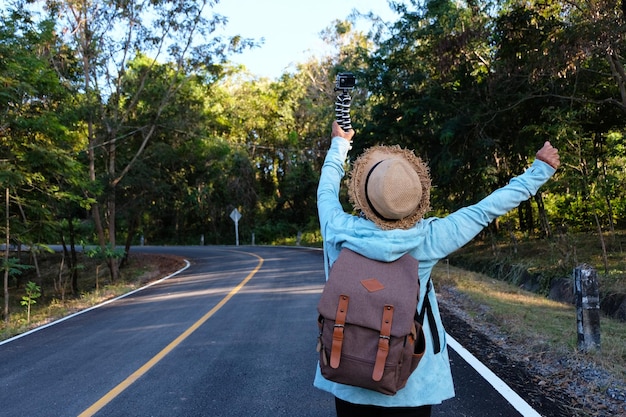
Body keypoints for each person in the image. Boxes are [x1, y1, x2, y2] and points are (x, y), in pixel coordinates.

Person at [315, 121, 560, 417]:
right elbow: (487, 209)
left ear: (365, 195)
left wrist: (339, 144)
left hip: (346, 371)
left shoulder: (337, 229)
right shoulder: (430, 238)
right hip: (411, 380)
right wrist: (540, 170)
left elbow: (326, 188)